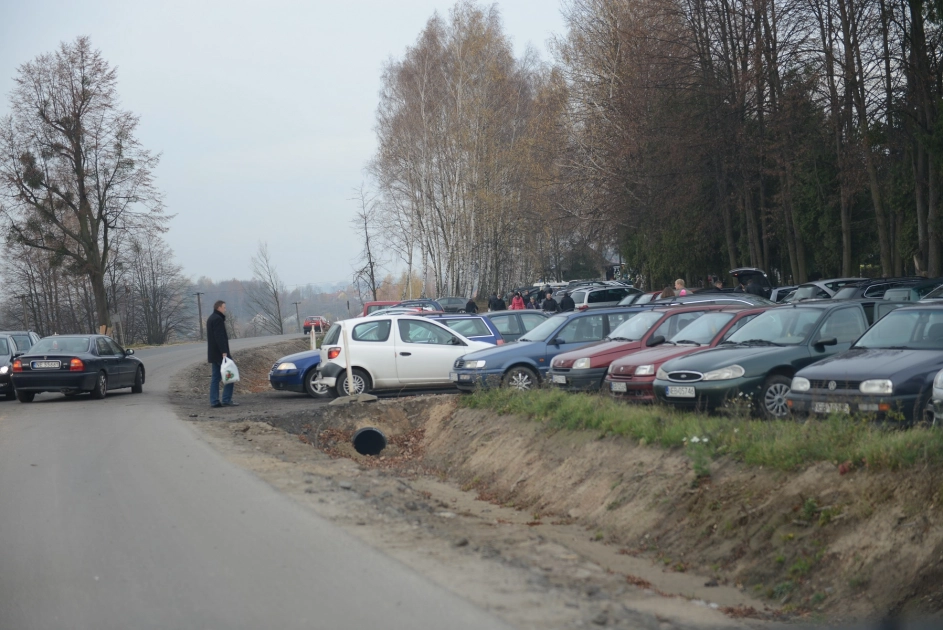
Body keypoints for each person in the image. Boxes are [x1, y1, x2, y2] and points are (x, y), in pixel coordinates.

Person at [207, 300, 236, 408]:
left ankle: (214, 401)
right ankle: (226, 399)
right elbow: (219, 337)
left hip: (213, 353)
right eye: (224, 307)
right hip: (220, 353)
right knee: (230, 374)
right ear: (219, 308)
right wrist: (224, 352)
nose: (225, 309)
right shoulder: (218, 319)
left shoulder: (211, 318)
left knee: (215, 377)